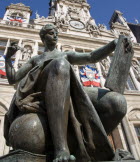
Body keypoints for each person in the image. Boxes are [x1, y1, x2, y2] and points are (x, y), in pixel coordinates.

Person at [4, 24, 130, 162]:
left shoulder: (65, 54)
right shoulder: (36, 59)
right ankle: (61, 148)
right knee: (60, 64)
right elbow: (12, 78)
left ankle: (90, 148)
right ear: (43, 37)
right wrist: (8, 59)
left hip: (69, 91)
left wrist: (113, 44)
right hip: (43, 94)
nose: (56, 35)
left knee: (117, 102)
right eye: (52, 33)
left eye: (56, 33)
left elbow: (91, 57)